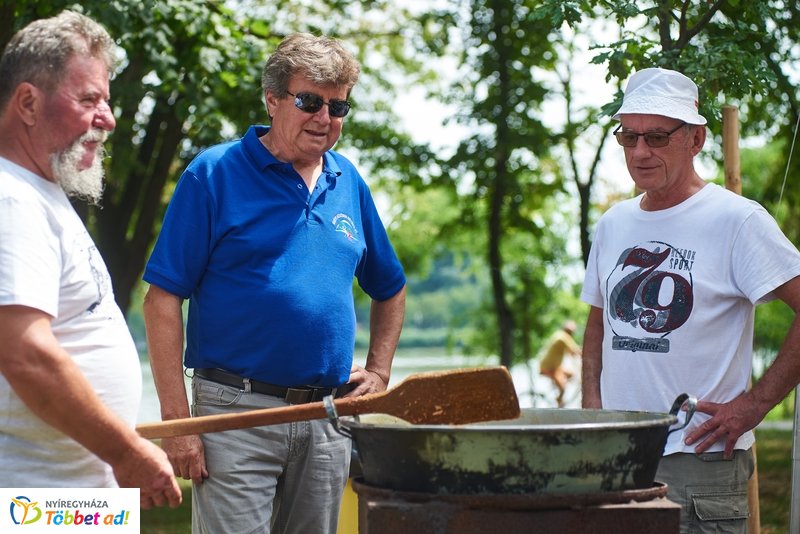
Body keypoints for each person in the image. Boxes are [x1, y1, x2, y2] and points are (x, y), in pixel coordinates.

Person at [142, 32, 406, 533]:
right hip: (235, 413)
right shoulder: (213, 174)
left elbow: (390, 287)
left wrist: (380, 371)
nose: (324, 118)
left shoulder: (348, 180)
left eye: (338, 106)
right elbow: (161, 300)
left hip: (327, 419)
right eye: (309, 101)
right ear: (272, 99)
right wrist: (179, 425)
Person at [580, 67, 800, 533]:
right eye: (629, 137)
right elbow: (597, 325)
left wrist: (756, 404)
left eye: (657, 137)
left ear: (696, 139)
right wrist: (592, 412)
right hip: (616, 461)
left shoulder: (736, 221)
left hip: (697, 464)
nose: (640, 152)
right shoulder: (613, 224)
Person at [0, 11, 181, 508]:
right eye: (89, 100)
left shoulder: (40, 193)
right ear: (29, 103)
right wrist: (127, 453)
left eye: (108, 99)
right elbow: (25, 354)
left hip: (77, 497)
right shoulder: (10, 199)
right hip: (34, 503)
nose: (109, 118)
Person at [539, 320, 581, 407]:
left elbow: (571, 353)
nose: (572, 334)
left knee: (571, 374)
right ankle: (559, 402)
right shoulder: (562, 337)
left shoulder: (561, 335)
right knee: (563, 387)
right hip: (550, 367)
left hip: (555, 366)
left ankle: (557, 388)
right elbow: (575, 351)